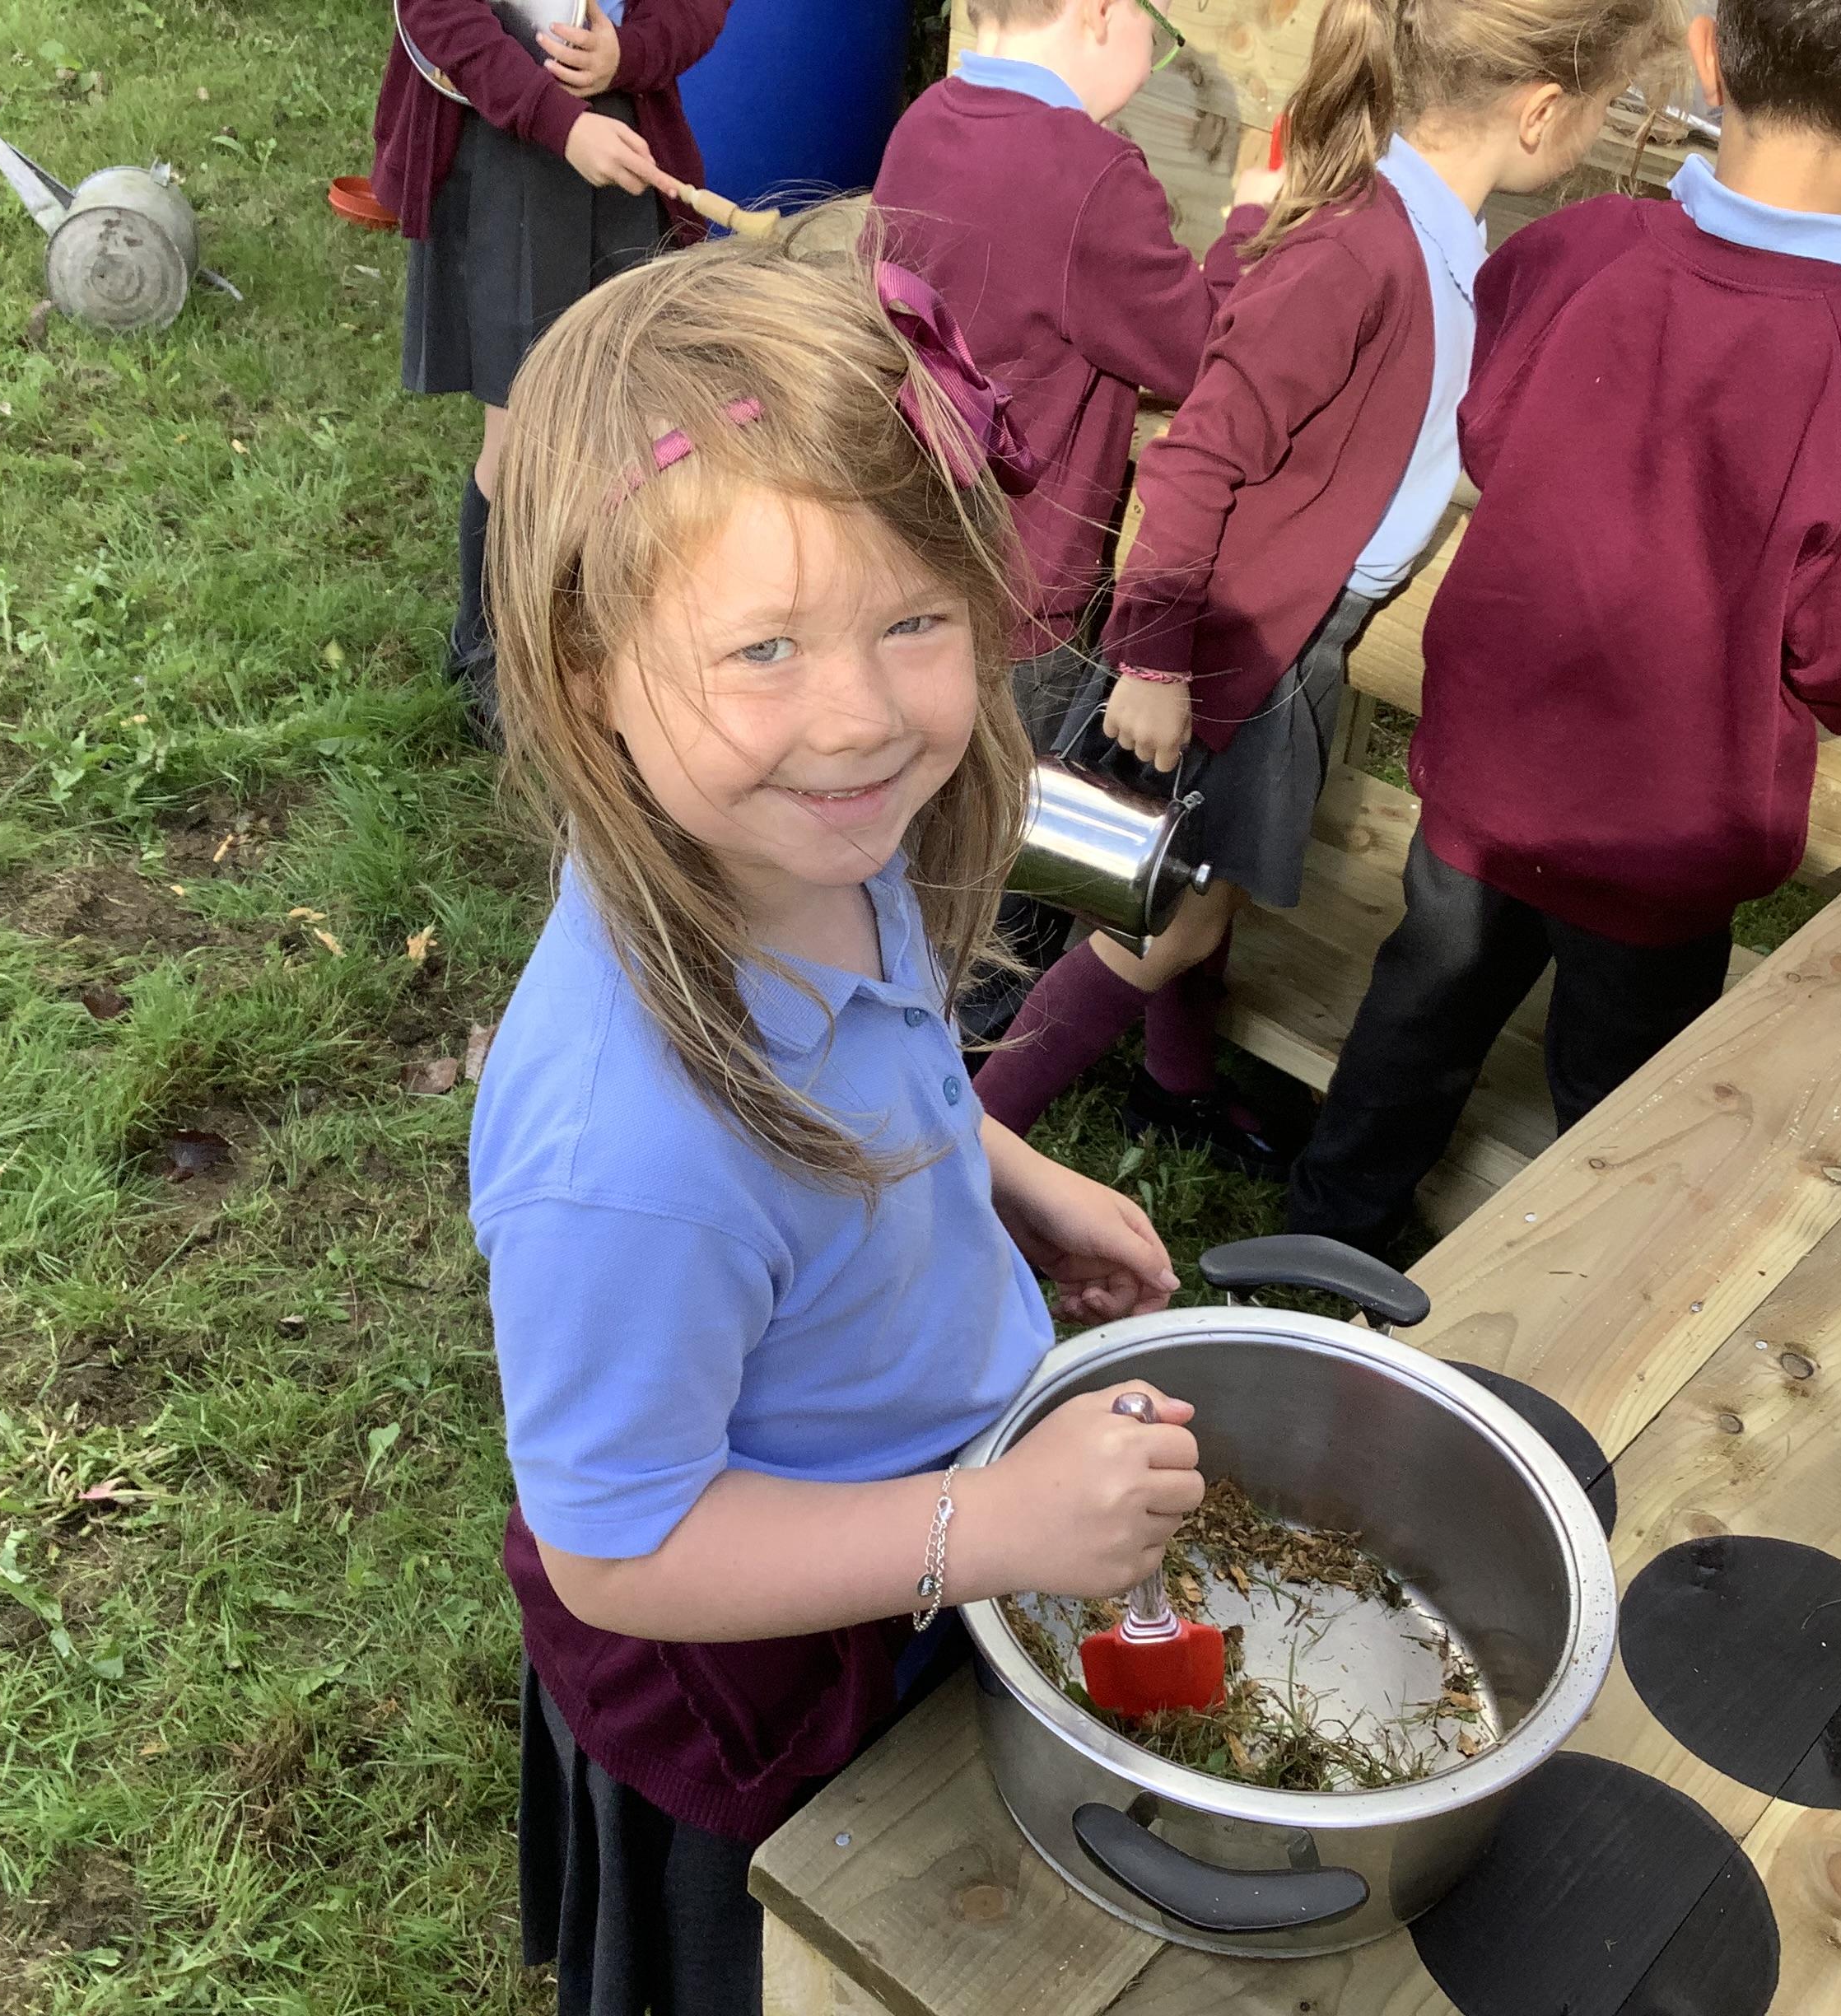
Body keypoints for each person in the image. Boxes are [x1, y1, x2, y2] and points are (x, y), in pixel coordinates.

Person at [468, 224, 1202, 2016]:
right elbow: (621, 1548)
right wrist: (990, 1529)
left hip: (921, 1512)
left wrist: (1007, 1174)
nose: (860, 718)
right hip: (756, 1653)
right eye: (764, 648)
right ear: (586, 669)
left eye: (913, 621)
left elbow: (890, 1065)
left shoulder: (811, 856)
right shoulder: (625, 1158)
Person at [1287, 0, 1841, 1259]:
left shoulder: (1580, 248)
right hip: (1667, 834)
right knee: (1623, 1105)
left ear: (1709, 55)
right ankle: (1580, 1308)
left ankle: (1321, 1248)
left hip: (1492, 773)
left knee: (1420, 1009)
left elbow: (1489, 434)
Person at [972, 0, 1681, 1176]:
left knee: (1208, 885)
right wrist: (1152, 657)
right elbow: (1199, 457)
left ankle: (1173, 1089)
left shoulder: (1440, 239)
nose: (1601, 132)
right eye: (1608, 108)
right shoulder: (1358, 249)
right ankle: (977, 1148)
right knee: (1173, 919)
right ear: (1543, 109)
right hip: (1234, 642)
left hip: (1301, 636)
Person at [874, 0, 1281, 1046]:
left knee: (919, 796)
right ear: (1103, 13)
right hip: (1030, 578)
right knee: (1006, 830)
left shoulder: (927, 120)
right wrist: (1247, 224)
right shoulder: (1090, 173)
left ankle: (884, 983)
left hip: (919, 539)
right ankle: (963, 1050)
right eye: (1161, 31)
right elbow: (1197, 352)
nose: (1158, 59)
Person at [371, 0, 727, 734]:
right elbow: (435, 13)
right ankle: (490, 653)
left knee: (633, 416)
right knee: (526, 431)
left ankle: (603, 643)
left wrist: (629, 54)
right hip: (502, 145)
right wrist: (560, 123)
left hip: (623, 149)